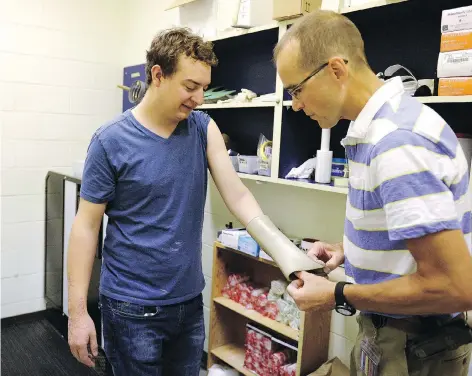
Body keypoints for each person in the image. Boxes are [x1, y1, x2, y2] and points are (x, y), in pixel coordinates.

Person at [274, 10, 472, 376]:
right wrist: (348, 251)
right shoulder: (376, 130)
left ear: (336, 69)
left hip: (415, 347)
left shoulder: (396, 143)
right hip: (394, 338)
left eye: (296, 90)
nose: (296, 105)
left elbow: (455, 286)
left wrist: (336, 294)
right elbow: (409, 238)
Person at [66, 27, 268, 376]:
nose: (200, 98)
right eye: (191, 87)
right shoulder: (109, 141)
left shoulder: (203, 129)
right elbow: (86, 228)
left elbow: (238, 196)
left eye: (204, 87)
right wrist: (78, 312)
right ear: (158, 75)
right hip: (130, 309)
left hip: (187, 305)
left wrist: (284, 251)